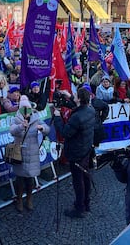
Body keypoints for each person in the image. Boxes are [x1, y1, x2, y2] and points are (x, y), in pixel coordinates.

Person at [53, 87, 96, 219]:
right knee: (86, 176)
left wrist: (57, 117)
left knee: (78, 181)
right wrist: (69, 96)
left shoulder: (77, 117)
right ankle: (86, 203)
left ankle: (79, 208)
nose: (74, 96)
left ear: (79, 99)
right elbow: (78, 107)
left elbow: (65, 132)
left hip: (77, 152)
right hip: (86, 149)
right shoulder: (90, 110)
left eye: (75, 95)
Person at [9, 96, 49, 212]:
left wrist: (42, 128)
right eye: (23, 108)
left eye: (27, 108)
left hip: (32, 152)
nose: (26, 111)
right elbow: (12, 131)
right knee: (20, 179)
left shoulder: (36, 118)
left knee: (30, 178)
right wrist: (21, 126)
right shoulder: (16, 119)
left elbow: (47, 129)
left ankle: (29, 199)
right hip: (19, 152)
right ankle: (20, 200)